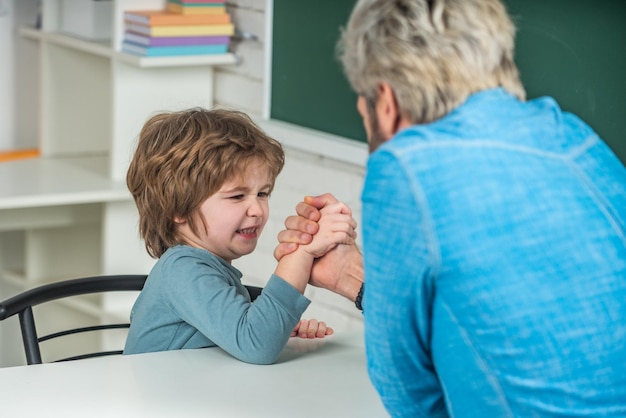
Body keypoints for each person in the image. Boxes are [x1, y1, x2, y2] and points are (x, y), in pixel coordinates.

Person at [275, 0, 626, 416]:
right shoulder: (575, 138)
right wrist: (355, 276)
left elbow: (409, 395)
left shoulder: (405, 167)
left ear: (385, 101)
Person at [124, 108, 357, 365]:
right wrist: (301, 253)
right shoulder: (182, 270)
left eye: (262, 194)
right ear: (179, 209)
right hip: (158, 404)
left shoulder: (207, 268)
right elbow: (256, 345)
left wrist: (279, 329)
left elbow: (244, 337)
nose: (257, 210)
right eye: (237, 196)